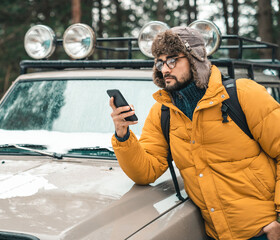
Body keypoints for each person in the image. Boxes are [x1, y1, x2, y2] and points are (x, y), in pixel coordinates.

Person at [109, 26, 280, 240]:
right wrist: (123, 134)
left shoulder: (243, 94)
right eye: (160, 62)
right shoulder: (164, 111)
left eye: (172, 60)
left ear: (194, 59)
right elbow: (146, 171)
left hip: (264, 231)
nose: (165, 69)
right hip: (214, 234)